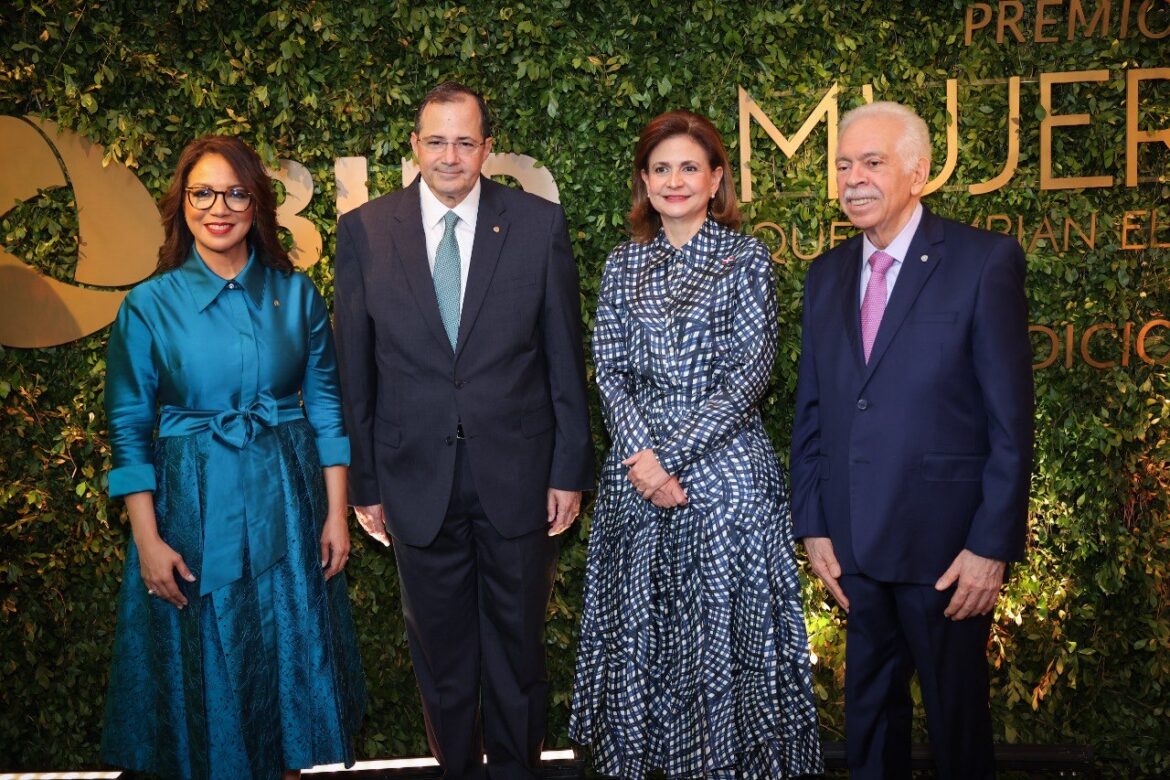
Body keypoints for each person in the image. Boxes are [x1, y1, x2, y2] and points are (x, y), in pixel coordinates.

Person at [333, 81, 594, 780]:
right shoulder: (365, 231)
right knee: (441, 660)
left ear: (487, 148)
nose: (450, 156)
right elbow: (355, 373)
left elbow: (563, 356)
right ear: (414, 145)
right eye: (436, 141)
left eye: (465, 141)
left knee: (518, 653)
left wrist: (569, 469)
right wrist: (365, 484)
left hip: (520, 478)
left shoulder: (537, 224)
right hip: (414, 480)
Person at [101, 135, 366, 780]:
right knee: (205, 668)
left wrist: (336, 515)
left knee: (287, 657)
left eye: (235, 193)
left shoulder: (296, 295)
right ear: (182, 204)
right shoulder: (148, 306)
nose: (218, 208)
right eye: (203, 193)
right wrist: (147, 541)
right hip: (190, 507)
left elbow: (327, 409)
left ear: (257, 204)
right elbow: (129, 428)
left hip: (288, 502)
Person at [570, 110, 823, 779]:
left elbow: (749, 376)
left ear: (716, 179)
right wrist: (644, 461)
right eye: (661, 169)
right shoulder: (623, 263)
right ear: (644, 182)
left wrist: (668, 459)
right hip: (636, 473)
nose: (674, 181)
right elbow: (610, 372)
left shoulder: (746, 259)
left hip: (726, 474)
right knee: (645, 641)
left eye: (689, 167)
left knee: (721, 640)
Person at [789, 101, 1034, 779]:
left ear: (918, 172)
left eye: (872, 162)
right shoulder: (826, 274)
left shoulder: (982, 262)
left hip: (947, 553)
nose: (854, 179)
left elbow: (1011, 421)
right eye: (843, 165)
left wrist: (991, 546)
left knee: (959, 728)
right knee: (869, 727)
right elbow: (813, 410)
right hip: (854, 549)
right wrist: (814, 524)